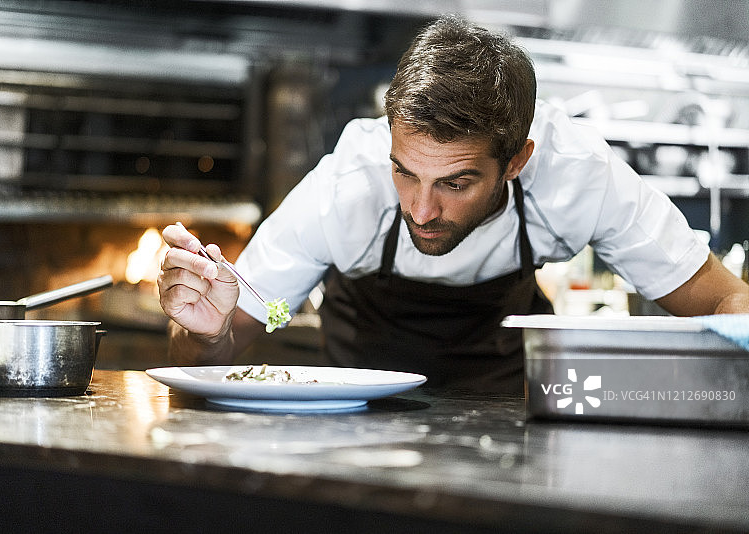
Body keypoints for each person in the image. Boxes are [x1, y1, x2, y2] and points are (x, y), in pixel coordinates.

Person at [158, 15, 749, 393]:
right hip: (354, 420)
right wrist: (206, 333)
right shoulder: (343, 188)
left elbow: (725, 297)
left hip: (508, 420)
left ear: (516, 162)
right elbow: (216, 350)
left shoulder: (578, 177)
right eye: (404, 171)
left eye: (455, 183)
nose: (420, 209)